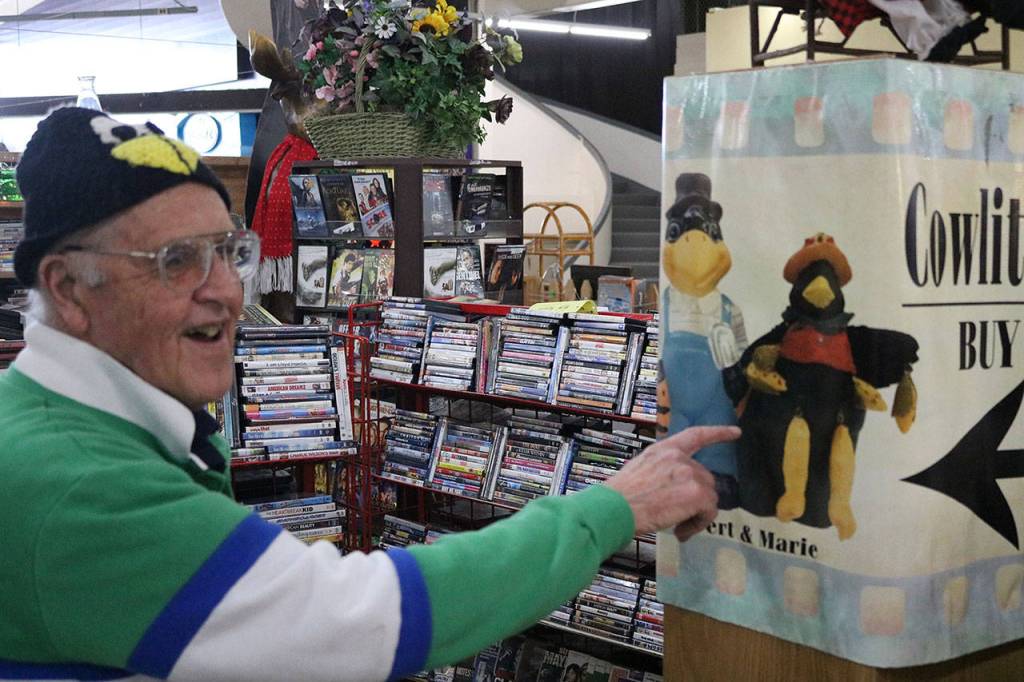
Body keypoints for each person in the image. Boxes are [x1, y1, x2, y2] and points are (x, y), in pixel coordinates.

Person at [0, 108, 737, 681]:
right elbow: (365, 620)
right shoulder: (77, 487)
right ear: (67, 288)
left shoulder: (67, 429)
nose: (224, 292)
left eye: (229, 252)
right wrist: (614, 507)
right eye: (174, 261)